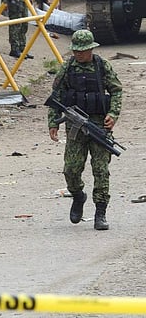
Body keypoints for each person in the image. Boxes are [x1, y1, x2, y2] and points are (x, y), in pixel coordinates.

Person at [47, 29, 122, 230]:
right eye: (76, 51)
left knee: (101, 170)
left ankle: (100, 212)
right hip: (75, 127)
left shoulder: (102, 66)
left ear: (91, 49)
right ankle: (78, 196)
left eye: (83, 51)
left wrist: (113, 114)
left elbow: (116, 90)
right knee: (71, 170)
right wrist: (53, 122)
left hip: (98, 126)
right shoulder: (67, 68)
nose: (79, 54)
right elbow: (56, 97)